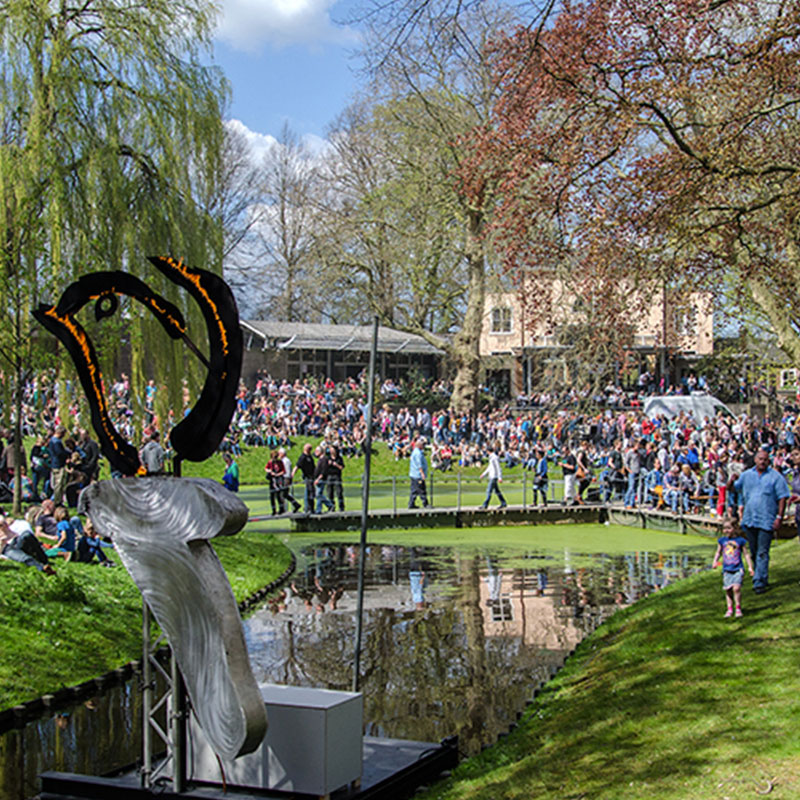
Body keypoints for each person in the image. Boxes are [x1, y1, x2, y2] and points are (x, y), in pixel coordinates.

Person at [733, 447, 790, 594]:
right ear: (755, 460)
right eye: (760, 459)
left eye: (765, 459)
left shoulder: (775, 477)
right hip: (750, 518)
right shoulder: (746, 475)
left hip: (767, 519)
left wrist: (779, 517)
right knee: (754, 550)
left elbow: (782, 497)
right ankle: (760, 576)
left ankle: (759, 582)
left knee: (763, 551)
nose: (762, 462)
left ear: (768, 461)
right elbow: (733, 488)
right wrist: (730, 481)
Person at [712, 514, 754, 618]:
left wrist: (750, 567)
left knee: (736, 588)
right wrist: (715, 561)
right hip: (727, 569)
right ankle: (729, 609)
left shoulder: (740, 541)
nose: (726, 530)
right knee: (728, 589)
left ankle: (738, 608)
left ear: (734, 528)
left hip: (737, 568)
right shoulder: (722, 541)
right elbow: (718, 552)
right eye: (724, 528)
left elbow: (746, 554)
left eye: (729, 528)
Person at [0, 510, 56, 574]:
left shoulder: (4, 523)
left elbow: (2, 519)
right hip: (7, 548)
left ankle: (44, 560)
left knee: (27, 534)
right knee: (24, 558)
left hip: (16, 540)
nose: (3, 527)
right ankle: (42, 568)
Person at [48, 425, 69, 504]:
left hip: (54, 463)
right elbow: (59, 453)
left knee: (56, 483)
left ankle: (57, 499)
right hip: (59, 464)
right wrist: (67, 454)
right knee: (59, 484)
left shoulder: (51, 440)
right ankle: (57, 500)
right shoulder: (57, 441)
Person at [293, 443, 316, 513]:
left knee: (311, 492)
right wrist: (292, 474)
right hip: (307, 477)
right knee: (308, 492)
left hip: (312, 477)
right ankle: (307, 508)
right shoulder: (303, 457)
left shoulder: (310, 457)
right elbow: (297, 466)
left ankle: (311, 508)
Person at [408, 439, 429, 509]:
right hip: (417, 475)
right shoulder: (418, 453)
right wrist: (422, 473)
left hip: (414, 474)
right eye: (423, 445)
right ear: (420, 445)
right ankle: (425, 504)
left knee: (414, 490)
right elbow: (419, 464)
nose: (424, 446)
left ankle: (411, 504)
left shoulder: (416, 451)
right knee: (421, 489)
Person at [265, 450, 286, 515]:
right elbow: (266, 468)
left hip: (278, 480)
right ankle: (273, 510)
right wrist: (270, 471)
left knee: (279, 495)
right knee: (272, 496)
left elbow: (283, 471)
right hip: (272, 481)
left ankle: (281, 509)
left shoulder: (280, 462)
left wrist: (277, 474)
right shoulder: (270, 462)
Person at [313, 447, 334, 513]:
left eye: (317, 451)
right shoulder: (320, 459)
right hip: (318, 478)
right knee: (318, 494)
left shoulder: (324, 459)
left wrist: (318, 478)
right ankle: (327, 506)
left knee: (319, 494)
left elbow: (323, 471)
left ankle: (326, 506)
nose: (315, 452)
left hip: (321, 479)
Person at [325, 445, 345, 512]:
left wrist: (336, 465)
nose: (331, 451)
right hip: (329, 476)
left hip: (337, 476)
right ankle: (331, 507)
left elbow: (342, 467)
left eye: (333, 450)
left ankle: (341, 507)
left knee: (339, 492)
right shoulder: (328, 458)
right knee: (330, 493)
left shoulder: (339, 458)